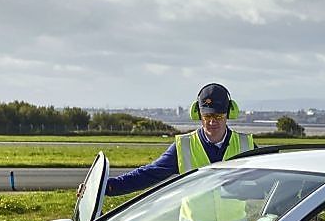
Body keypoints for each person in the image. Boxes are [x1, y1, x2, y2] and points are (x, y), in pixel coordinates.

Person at [104, 83, 257, 196]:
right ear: (198, 115)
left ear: (229, 114)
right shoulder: (184, 146)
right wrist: (106, 187)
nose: (212, 122)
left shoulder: (246, 145)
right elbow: (148, 174)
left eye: (218, 116)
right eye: (207, 116)